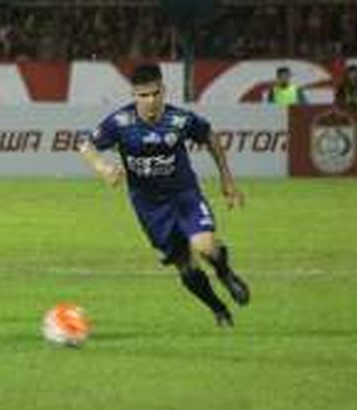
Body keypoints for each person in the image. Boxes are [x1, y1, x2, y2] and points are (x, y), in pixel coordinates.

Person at [79, 63, 250, 327]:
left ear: (164, 90)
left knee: (204, 245)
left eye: (155, 93)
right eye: (143, 95)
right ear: (134, 95)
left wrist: (227, 180)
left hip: (184, 196)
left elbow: (209, 137)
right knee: (185, 264)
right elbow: (86, 145)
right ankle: (218, 309)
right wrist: (101, 166)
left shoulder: (179, 120)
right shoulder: (120, 122)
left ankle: (226, 274)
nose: (150, 101)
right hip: (149, 207)